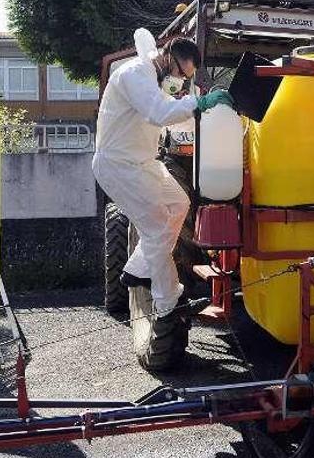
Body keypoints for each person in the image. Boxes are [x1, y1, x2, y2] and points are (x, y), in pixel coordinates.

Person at [92, 29, 233, 317]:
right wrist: (199, 103)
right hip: (119, 166)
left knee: (180, 204)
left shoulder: (156, 83)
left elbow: (173, 121)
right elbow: (158, 113)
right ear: (168, 57)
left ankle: (137, 270)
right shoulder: (134, 73)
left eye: (186, 78)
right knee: (156, 229)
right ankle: (169, 303)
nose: (181, 81)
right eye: (181, 73)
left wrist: (211, 117)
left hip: (143, 163)